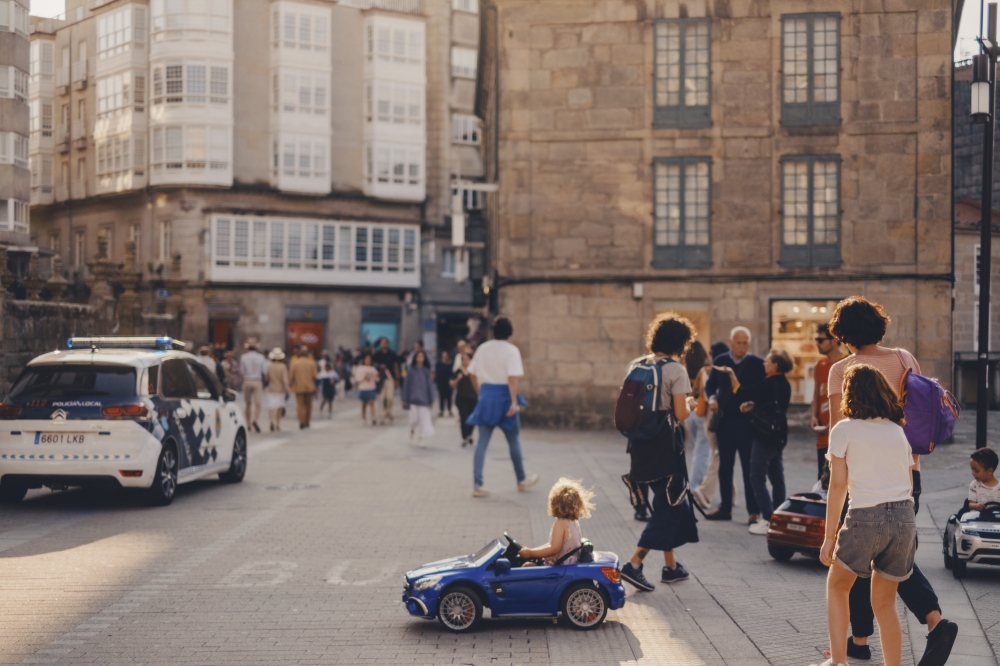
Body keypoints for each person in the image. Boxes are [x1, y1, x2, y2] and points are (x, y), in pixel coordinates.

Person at [826, 296, 957, 666]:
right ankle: (866, 640)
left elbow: (842, 425)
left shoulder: (844, 369)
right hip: (907, 473)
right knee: (892, 555)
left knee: (854, 561)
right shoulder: (903, 358)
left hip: (863, 479)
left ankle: (862, 643)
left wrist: (829, 528)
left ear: (845, 334)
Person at [815, 365, 917, 666]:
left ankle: (838, 662)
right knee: (885, 603)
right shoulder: (897, 430)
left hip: (865, 516)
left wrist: (829, 538)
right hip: (904, 518)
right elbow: (907, 482)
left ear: (849, 393)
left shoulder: (844, 429)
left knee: (838, 586)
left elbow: (837, 487)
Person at [619, 312, 699, 591]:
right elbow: (679, 413)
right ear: (681, 342)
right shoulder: (676, 370)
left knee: (669, 503)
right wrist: (691, 404)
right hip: (666, 447)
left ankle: (671, 566)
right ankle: (634, 564)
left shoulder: (637, 364)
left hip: (640, 446)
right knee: (669, 507)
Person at [719, 349, 793, 535]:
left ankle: (768, 518)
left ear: (775, 365)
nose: (763, 363)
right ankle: (779, 516)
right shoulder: (784, 383)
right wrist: (754, 406)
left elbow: (741, 392)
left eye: (767, 360)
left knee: (756, 475)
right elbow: (772, 404)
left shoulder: (768, 382)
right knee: (777, 476)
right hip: (779, 435)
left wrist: (731, 375)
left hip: (764, 435)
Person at [466, 317, 539, 497]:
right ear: (510, 332)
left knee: (482, 442)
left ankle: (477, 484)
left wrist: (480, 393)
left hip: (487, 396)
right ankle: (521, 479)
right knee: (513, 440)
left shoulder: (483, 348)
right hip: (505, 397)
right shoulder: (512, 351)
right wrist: (513, 402)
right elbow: (512, 378)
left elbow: (472, 374)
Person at [703, 327, 766, 523]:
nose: (742, 346)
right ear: (731, 343)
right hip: (725, 420)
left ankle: (753, 511)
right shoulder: (721, 359)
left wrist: (754, 404)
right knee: (725, 466)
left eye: (745, 342)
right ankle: (725, 507)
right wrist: (712, 398)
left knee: (749, 468)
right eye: (738, 343)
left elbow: (762, 390)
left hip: (746, 423)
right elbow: (710, 385)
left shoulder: (757, 363)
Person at [690, 341, 730, 510]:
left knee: (718, 454)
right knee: (718, 454)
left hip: (702, 414)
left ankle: (730, 494)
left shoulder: (704, 371)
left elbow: (694, 392)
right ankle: (700, 489)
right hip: (716, 416)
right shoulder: (724, 373)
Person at [517, 478, 594, 565]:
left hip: (560, 567)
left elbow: (554, 549)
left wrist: (531, 553)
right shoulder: (573, 522)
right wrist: (531, 551)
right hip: (570, 564)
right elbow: (553, 544)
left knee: (527, 566)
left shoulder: (561, 523)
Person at [811, 323, 847, 480]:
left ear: (834, 340)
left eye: (821, 340)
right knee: (823, 480)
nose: (817, 343)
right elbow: (816, 396)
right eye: (816, 339)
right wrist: (813, 416)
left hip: (843, 435)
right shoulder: (820, 365)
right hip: (822, 437)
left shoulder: (848, 363)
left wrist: (833, 423)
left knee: (841, 481)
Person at [683, 341, 710, 515]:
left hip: (688, 411)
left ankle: (706, 486)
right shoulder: (706, 370)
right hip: (702, 411)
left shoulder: (683, 369)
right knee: (703, 452)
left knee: (700, 452)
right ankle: (694, 489)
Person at [402, 350, 436, 447]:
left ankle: (421, 438)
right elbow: (406, 385)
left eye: (422, 357)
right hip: (413, 400)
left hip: (424, 400)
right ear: (415, 358)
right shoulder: (411, 370)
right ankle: (411, 432)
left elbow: (430, 386)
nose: (420, 359)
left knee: (422, 421)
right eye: (418, 357)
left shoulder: (426, 371)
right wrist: (405, 398)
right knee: (414, 420)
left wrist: (431, 400)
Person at [239, 338, 266, 433]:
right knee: (258, 403)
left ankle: (248, 423)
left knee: (248, 403)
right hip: (257, 380)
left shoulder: (243, 357)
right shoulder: (261, 357)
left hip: (247, 380)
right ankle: (255, 419)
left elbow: (242, 372)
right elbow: (264, 371)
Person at [451, 352, 477, 447]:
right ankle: (464, 436)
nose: (466, 361)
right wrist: (458, 379)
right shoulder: (458, 371)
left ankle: (469, 434)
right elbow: (452, 384)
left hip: (473, 398)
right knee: (464, 417)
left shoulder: (473, 372)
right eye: (464, 359)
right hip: (462, 398)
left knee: (472, 418)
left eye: (467, 359)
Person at [289, 346, 318, 429]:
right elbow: (315, 376)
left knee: (300, 406)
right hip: (309, 387)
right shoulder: (312, 363)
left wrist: (289, 385)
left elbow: (291, 376)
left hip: (298, 387)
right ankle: (307, 421)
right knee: (308, 406)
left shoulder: (295, 363)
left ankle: (301, 421)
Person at [265, 347, 290, 432]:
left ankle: (271, 420)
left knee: (271, 406)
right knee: (279, 407)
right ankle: (277, 423)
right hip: (280, 389)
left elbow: (267, 377)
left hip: (271, 388)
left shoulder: (269, 366)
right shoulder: (283, 366)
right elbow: (285, 380)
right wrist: (288, 390)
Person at [352, 354, 379, 425]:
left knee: (371, 402)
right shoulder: (361, 368)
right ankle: (363, 417)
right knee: (364, 404)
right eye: (367, 359)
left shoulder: (373, 369)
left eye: (369, 360)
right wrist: (364, 377)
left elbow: (377, 379)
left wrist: (377, 376)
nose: (368, 361)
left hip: (371, 387)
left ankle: (373, 417)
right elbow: (357, 378)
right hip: (363, 388)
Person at [317, 353, 339, 418]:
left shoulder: (333, 373)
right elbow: (318, 381)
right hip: (325, 388)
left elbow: (337, 379)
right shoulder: (322, 374)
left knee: (330, 401)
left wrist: (334, 382)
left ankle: (330, 412)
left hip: (331, 388)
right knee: (325, 399)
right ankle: (321, 407)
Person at [435, 351, 454, 417]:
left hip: (449, 382)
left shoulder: (451, 363)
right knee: (441, 397)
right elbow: (436, 372)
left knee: (449, 397)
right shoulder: (439, 363)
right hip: (441, 382)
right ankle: (441, 410)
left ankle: (449, 409)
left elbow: (452, 372)